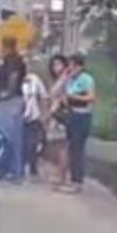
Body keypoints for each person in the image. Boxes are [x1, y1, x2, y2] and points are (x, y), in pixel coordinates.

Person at [0, 37, 27, 182]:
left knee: (10, 137)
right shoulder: (11, 61)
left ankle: (14, 171)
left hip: (11, 102)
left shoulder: (13, 61)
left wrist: (7, 93)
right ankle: (13, 170)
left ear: (7, 47)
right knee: (13, 137)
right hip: (12, 101)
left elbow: (13, 77)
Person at [61, 53, 97, 193]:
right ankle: (72, 178)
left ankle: (77, 181)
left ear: (80, 66)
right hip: (72, 113)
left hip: (82, 116)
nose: (71, 68)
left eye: (73, 66)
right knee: (71, 147)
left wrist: (74, 97)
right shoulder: (70, 80)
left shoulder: (87, 79)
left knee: (77, 148)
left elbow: (92, 97)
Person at [44, 54, 70, 186]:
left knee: (62, 147)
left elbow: (54, 93)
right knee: (54, 146)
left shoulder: (66, 78)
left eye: (59, 64)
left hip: (62, 115)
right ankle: (58, 174)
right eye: (54, 65)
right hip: (54, 115)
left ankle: (62, 176)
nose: (56, 67)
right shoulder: (57, 79)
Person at [22, 66, 49, 178]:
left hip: (33, 116)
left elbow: (43, 97)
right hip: (17, 116)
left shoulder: (34, 79)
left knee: (33, 143)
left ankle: (33, 168)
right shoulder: (12, 78)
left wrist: (44, 114)